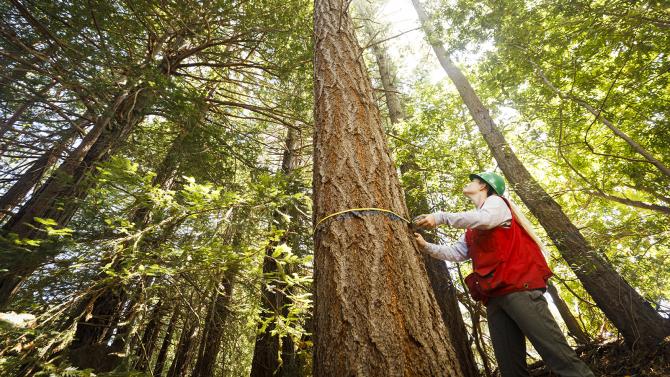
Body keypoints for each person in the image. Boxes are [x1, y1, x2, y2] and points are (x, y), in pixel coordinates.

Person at [413, 172, 594, 377]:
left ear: (484, 186)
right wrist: (426, 246)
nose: (469, 182)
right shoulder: (474, 227)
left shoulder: (496, 203)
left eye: (474, 180)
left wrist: (441, 217)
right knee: (510, 370)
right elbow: (458, 252)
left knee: (560, 358)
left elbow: (486, 219)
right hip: (495, 298)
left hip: (520, 290)